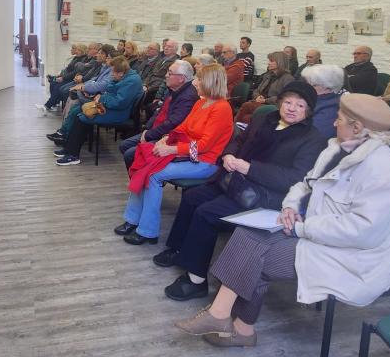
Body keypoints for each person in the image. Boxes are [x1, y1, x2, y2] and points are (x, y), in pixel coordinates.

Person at [174, 94, 390, 348]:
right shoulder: (337, 148)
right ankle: (225, 319)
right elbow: (305, 183)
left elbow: (362, 232)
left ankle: (235, 325)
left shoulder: (384, 172)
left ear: (357, 128)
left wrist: (301, 227)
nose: (333, 123)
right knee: (246, 233)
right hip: (316, 232)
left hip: (352, 257)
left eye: (339, 119)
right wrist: (290, 207)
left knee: (256, 257)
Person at [154, 81, 326, 301]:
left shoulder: (312, 139)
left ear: (309, 110)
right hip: (235, 181)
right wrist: (228, 155)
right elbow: (237, 140)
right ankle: (179, 250)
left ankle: (196, 280)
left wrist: (250, 168)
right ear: (281, 102)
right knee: (192, 197)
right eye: (288, 102)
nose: (292, 108)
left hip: (264, 195)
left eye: (300, 105)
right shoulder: (265, 118)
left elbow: (292, 179)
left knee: (206, 213)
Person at [116, 64, 233, 245]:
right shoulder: (201, 102)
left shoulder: (222, 108)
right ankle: (132, 219)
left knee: (154, 174)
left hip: (205, 162)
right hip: (187, 155)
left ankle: (148, 231)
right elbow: (183, 127)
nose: (195, 82)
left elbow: (203, 146)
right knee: (143, 164)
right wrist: (166, 138)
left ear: (210, 82)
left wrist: (172, 149)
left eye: (199, 79)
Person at [55, 56, 143, 166]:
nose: (111, 74)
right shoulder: (122, 77)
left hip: (120, 113)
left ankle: (73, 155)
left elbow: (119, 102)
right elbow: (110, 91)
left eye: (113, 72)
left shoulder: (132, 81)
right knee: (79, 113)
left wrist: (101, 98)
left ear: (121, 73)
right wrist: (101, 96)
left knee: (82, 118)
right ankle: (69, 149)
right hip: (109, 107)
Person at [118, 60, 198, 168]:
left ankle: (146, 176)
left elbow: (173, 124)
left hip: (168, 136)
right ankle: (143, 172)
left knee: (130, 154)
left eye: (170, 73)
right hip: (157, 131)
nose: (166, 75)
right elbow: (158, 112)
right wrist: (146, 129)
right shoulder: (173, 89)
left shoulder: (188, 97)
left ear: (181, 78)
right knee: (124, 145)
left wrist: (149, 135)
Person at [234, 52, 294, 125]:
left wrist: (265, 100)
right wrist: (257, 96)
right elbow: (256, 90)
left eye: (271, 61)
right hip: (260, 102)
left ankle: (234, 127)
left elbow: (284, 97)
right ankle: (239, 127)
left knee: (246, 105)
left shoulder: (287, 78)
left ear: (280, 63)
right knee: (247, 116)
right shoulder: (268, 75)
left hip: (273, 106)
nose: (268, 63)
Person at [38, 43, 89, 113]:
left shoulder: (83, 59)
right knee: (53, 83)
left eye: (77, 50)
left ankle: (47, 105)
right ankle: (54, 102)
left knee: (57, 86)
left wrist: (63, 78)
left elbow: (74, 72)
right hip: (68, 77)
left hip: (72, 79)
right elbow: (68, 69)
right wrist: (62, 76)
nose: (76, 51)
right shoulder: (76, 58)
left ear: (82, 50)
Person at [300, 64, 345, 138]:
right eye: (307, 83)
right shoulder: (315, 99)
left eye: (313, 85)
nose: (306, 87)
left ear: (328, 87)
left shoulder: (331, 108)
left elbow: (314, 136)